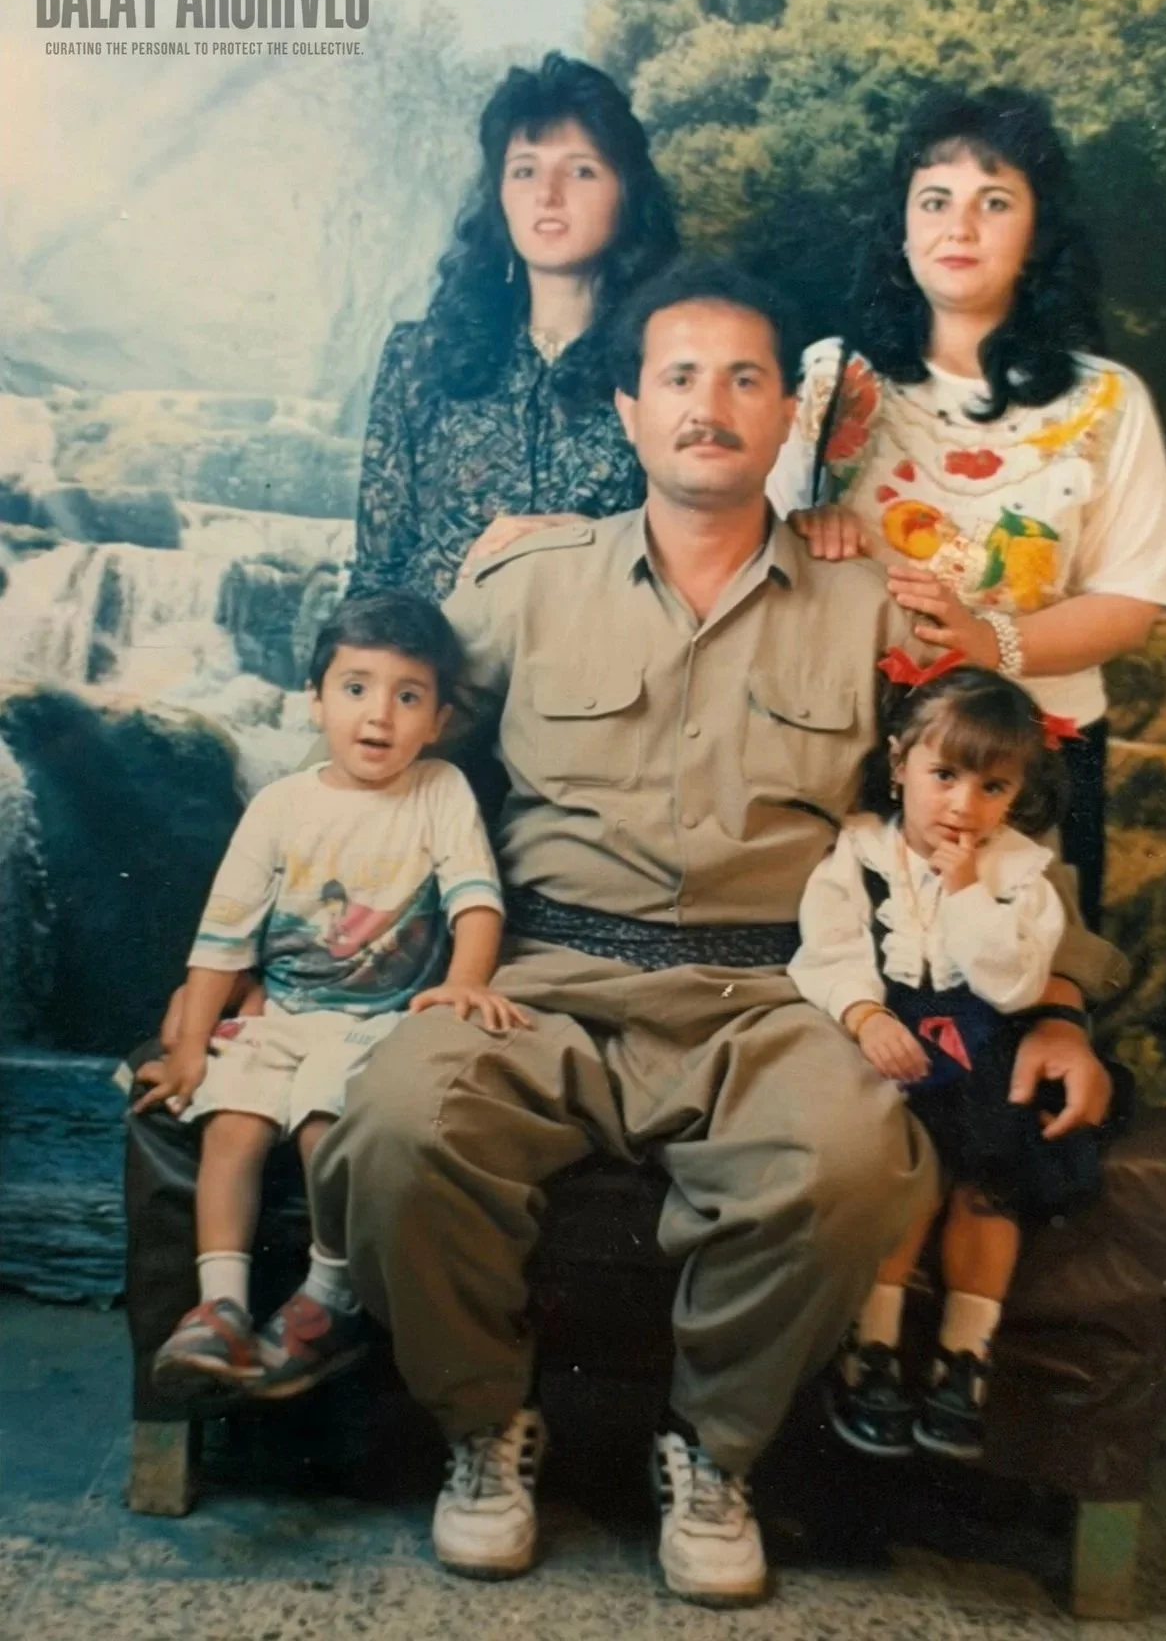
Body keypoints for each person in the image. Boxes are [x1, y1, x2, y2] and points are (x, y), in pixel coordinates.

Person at [309, 258, 1123, 1608]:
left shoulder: (873, 611)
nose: (711, 404)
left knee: (857, 1153)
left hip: (774, 992)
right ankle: (484, 1433)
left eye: (747, 378)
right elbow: (375, 748)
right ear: (629, 410)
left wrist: (1061, 1002)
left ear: (782, 422)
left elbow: (988, 806)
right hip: (547, 979)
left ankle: (712, 1451)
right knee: (395, 1122)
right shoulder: (524, 586)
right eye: (679, 376)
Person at [768, 86, 1166, 928]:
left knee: (1023, 1004)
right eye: (935, 201)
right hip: (856, 752)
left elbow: (1133, 602)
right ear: (903, 229)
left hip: (1034, 762)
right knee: (861, 1003)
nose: (959, 226)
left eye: (995, 202)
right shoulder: (830, 380)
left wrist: (992, 642)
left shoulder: (1106, 402)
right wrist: (805, 532)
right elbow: (754, 557)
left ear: (1037, 234)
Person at [137, 592, 525, 1402]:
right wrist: (184, 1053)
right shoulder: (281, 806)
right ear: (315, 701)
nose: (378, 715)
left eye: (407, 696)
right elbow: (223, 938)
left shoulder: (439, 790)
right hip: (283, 1011)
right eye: (355, 688)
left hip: (378, 1024)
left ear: (440, 718)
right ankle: (222, 1306)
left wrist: (463, 983)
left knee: (325, 1124)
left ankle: (326, 1299)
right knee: (231, 1122)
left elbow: (475, 902)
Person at [791, 657, 1119, 1464]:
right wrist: (864, 1015)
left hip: (984, 1048)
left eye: (994, 789)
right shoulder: (860, 853)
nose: (964, 806)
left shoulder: (1020, 875)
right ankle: (870, 1351)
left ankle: (963, 1360)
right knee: (906, 1179)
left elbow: (1012, 985)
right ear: (900, 763)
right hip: (892, 1040)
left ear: (1018, 796)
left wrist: (969, 889)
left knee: (988, 1186)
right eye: (944, 776)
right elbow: (825, 951)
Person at [347, 50, 680, 606]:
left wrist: (587, 543)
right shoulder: (420, 357)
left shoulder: (671, 363)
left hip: (610, 681)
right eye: (524, 170)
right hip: (441, 678)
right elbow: (375, 582)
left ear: (627, 195)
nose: (548, 195)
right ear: (498, 196)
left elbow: (712, 555)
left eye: (581, 170)